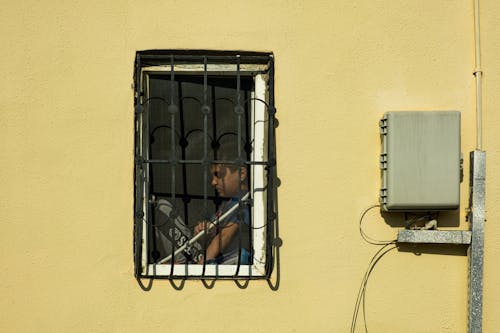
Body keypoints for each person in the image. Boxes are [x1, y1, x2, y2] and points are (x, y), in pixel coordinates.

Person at [193, 143, 252, 265]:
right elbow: (211, 237)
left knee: (162, 208)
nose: (213, 182)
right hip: (206, 257)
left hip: (221, 263)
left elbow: (225, 236)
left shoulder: (243, 201)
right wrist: (202, 231)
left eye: (218, 175)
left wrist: (199, 268)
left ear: (241, 173)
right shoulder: (227, 204)